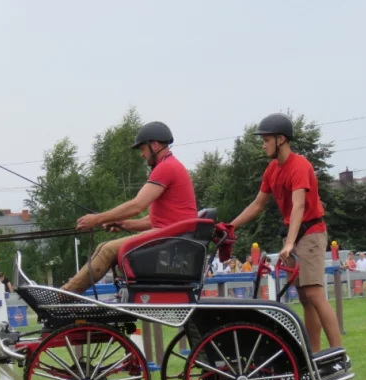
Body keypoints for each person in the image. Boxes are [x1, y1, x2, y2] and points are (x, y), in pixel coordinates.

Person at [226, 113, 342, 352]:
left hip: (310, 232)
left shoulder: (299, 165)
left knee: (314, 293)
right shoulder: (272, 170)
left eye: (266, 139)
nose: (263, 144)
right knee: (305, 298)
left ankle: (338, 353)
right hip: (295, 234)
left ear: (281, 139)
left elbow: (298, 205)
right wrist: (231, 226)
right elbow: (257, 205)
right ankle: (315, 354)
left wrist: (289, 243)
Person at [62, 121, 198, 292]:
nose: (142, 155)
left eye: (143, 149)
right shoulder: (171, 166)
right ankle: (67, 291)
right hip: (173, 236)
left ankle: (65, 295)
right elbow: (154, 220)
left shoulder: (166, 168)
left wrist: (97, 219)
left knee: (108, 250)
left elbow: (137, 205)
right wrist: (124, 224)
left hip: (173, 239)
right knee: (103, 247)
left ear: (155, 145)